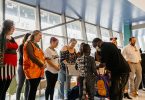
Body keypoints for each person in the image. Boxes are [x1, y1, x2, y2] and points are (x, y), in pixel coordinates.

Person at [23, 30, 46, 100]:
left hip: (38, 70)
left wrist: (44, 60)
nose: (41, 37)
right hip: (31, 70)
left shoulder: (36, 45)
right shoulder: (28, 43)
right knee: (33, 89)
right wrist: (42, 64)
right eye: (40, 35)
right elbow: (32, 57)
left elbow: (39, 56)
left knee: (34, 89)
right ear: (35, 35)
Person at [0, 20, 18, 100]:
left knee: (5, 90)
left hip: (12, 67)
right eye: (13, 26)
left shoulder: (12, 38)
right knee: (1, 89)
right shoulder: (1, 37)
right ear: (8, 27)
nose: (14, 28)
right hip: (3, 67)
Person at [16, 33, 31, 100]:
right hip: (21, 67)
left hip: (28, 67)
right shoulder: (21, 46)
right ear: (26, 38)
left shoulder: (31, 46)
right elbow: (23, 57)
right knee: (20, 85)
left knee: (28, 85)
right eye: (30, 38)